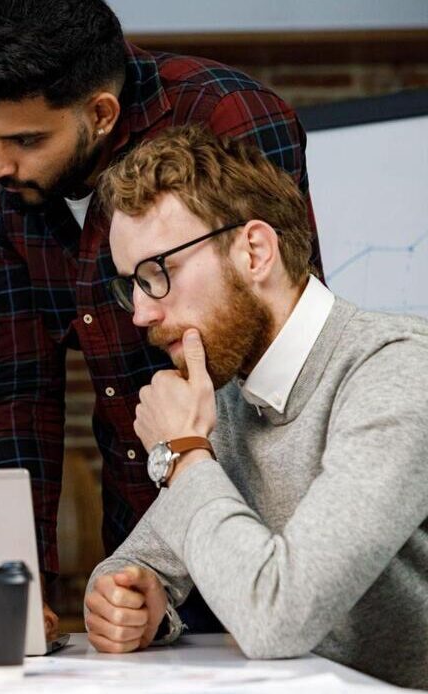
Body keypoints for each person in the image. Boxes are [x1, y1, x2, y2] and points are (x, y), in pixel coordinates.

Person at [0, 0, 322, 631]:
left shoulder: (228, 117)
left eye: (25, 139)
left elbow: (280, 336)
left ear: (100, 114)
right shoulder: (1, 196)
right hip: (144, 531)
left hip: (267, 511)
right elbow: (18, 394)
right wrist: (19, 578)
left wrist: (203, 481)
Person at [82, 125, 428, 689]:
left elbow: (276, 617)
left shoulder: (398, 371)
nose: (140, 314)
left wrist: (185, 454)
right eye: (133, 286)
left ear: (254, 251)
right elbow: (135, 565)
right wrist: (133, 602)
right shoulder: (227, 398)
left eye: (158, 274)